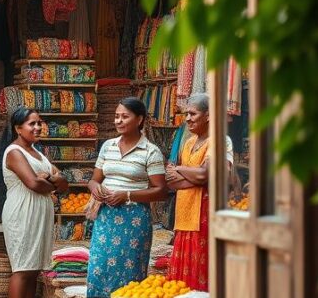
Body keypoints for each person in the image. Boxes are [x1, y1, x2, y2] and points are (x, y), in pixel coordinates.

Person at [86, 97, 168, 297]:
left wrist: (127, 195)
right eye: (116, 117)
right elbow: (94, 179)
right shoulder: (108, 146)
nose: (118, 121)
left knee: (129, 270)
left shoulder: (151, 151)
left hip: (134, 218)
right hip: (105, 216)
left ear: (139, 119)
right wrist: (95, 188)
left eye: (124, 116)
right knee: (99, 266)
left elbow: (161, 191)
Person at [0, 108, 69, 298]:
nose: (38, 127)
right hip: (22, 214)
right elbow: (33, 184)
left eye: (39, 123)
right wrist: (51, 180)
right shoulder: (14, 152)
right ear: (18, 128)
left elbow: (64, 183)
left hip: (39, 215)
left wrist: (47, 176)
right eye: (32, 123)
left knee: (33, 271)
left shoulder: (38, 154)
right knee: (22, 270)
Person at [165, 93, 234, 291]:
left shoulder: (220, 141)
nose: (187, 118)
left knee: (203, 268)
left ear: (209, 116)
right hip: (185, 212)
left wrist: (180, 170)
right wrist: (194, 176)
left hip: (204, 212)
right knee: (184, 275)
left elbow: (206, 174)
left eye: (192, 114)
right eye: (186, 114)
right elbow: (171, 182)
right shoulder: (188, 143)